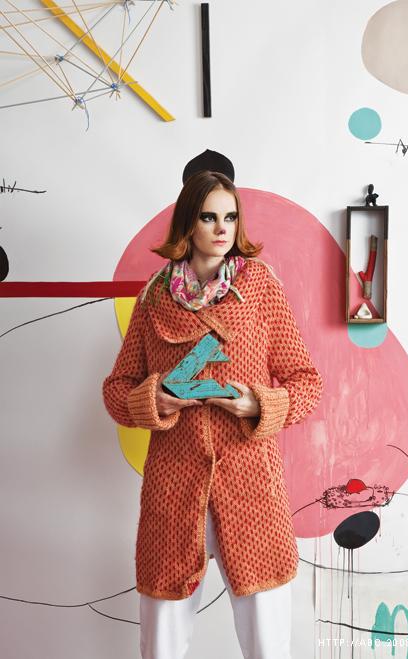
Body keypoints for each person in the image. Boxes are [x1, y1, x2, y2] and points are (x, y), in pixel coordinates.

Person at [102, 167, 324, 659]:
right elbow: (116, 390)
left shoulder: (260, 288)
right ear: (188, 222)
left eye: (230, 217)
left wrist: (259, 404)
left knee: (268, 646)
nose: (222, 228)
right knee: (161, 647)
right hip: (172, 492)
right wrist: (153, 400)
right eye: (208, 217)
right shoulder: (154, 297)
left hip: (252, 491)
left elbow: (307, 382)